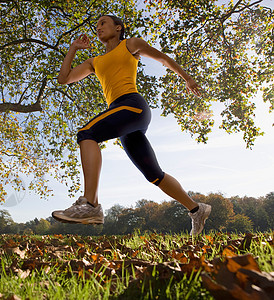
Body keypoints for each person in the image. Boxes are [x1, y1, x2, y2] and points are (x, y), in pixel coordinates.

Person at [51, 15, 211, 235]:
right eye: (96, 25)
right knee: (154, 174)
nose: (98, 27)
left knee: (87, 133)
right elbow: (64, 78)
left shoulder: (130, 45)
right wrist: (74, 48)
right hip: (122, 116)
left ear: (118, 28)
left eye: (103, 23)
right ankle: (196, 209)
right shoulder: (94, 62)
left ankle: (90, 204)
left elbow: (163, 58)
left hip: (132, 105)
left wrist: (186, 77)